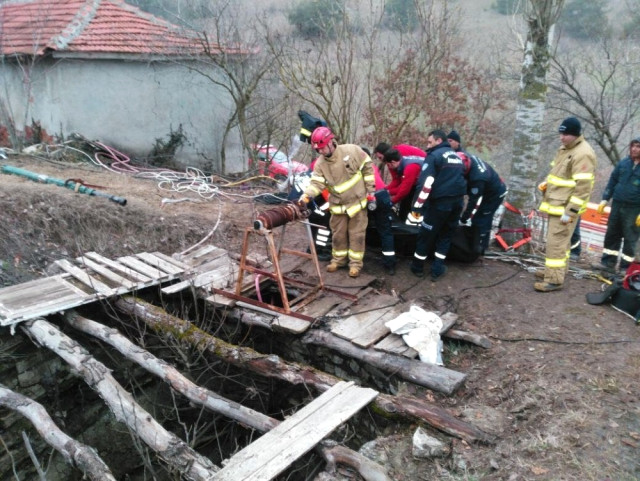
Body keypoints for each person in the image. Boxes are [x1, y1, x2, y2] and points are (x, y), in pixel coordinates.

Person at [299, 127, 375, 278]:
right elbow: (317, 184)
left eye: (322, 148)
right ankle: (338, 261)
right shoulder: (320, 164)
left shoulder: (351, 151)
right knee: (338, 236)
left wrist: (370, 190)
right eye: (318, 149)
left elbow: (367, 166)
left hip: (357, 204)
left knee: (357, 236)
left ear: (331, 142)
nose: (320, 152)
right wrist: (306, 195)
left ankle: (355, 264)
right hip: (338, 207)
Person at [536, 117, 596, 292]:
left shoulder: (583, 153)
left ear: (576, 135)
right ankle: (554, 272)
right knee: (560, 242)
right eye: (561, 133)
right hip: (556, 203)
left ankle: (553, 280)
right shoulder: (566, 149)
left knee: (556, 243)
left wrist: (570, 212)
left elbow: (583, 188)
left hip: (564, 208)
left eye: (566, 134)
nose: (562, 137)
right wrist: (547, 183)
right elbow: (559, 173)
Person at [408, 130, 467, 281]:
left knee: (425, 235)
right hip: (457, 203)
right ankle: (437, 268)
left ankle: (417, 267)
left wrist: (417, 207)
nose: (428, 145)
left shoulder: (434, 156)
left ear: (438, 140)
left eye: (430, 142)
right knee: (446, 235)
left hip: (440, 203)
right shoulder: (457, 156)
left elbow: (425, 183)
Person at [447, 131, 507, 256]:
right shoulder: (464, 156)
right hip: (488, 186)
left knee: (482, 218)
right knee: (479, 217)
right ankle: (478, 242)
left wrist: (464, 218)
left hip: (495, 193)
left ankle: (480, 247)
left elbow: (473, 201)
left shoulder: (477, 178)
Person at [592, 137, 640, 272]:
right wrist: (605, 199)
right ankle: (608, 263)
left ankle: (625, 268)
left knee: (630, 238)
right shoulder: (624, 163)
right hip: (617, 205)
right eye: (633, 146)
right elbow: (613, 181)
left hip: (634, 209)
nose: (634, 149)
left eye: (638, 147)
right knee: (612, 234)